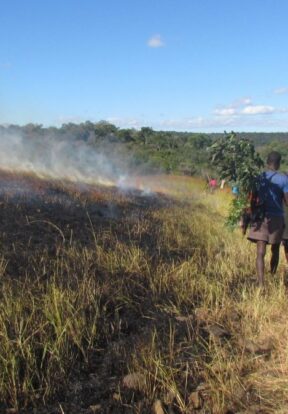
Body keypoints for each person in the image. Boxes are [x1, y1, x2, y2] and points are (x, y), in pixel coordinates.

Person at [247, 151, 288, 286]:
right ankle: (272, 274)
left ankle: (261, 283)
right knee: (275, 249)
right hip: (277, 218)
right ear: (279, 163)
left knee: (260, 252)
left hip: (261, 216)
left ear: (267, 162)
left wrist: (252, 213)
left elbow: (252, 199)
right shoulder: (283, 179)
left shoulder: (259, 177)